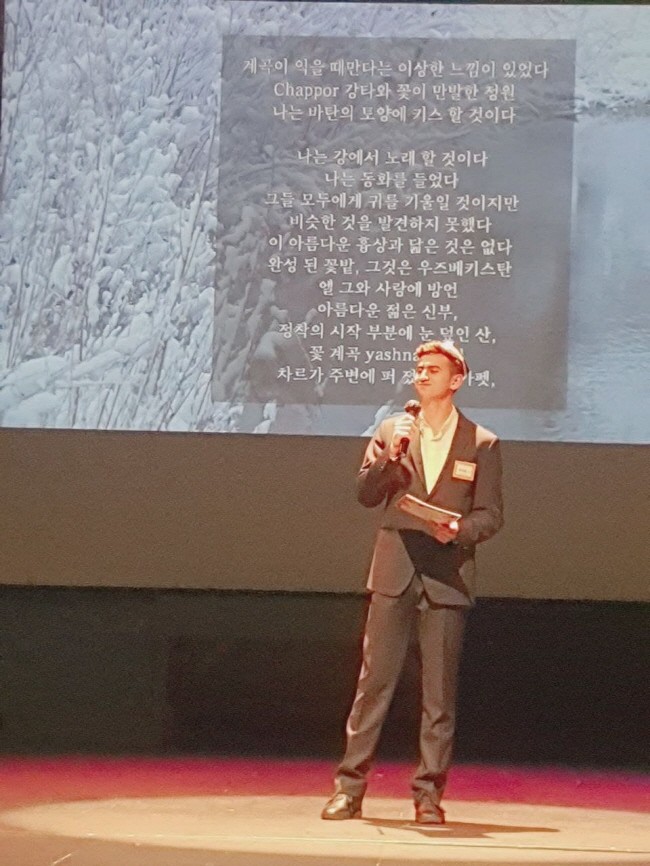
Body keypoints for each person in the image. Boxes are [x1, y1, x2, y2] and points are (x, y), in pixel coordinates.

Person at [321, 340, 504, 825]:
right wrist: (390, 455)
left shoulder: (481, 442)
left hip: (447, 575)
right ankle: (349, 789)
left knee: (438, 696)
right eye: (419, 368)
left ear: (456, 379)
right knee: (373, 684)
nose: (422, 375)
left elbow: (491, 514)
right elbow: (366, 493)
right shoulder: (391, 429)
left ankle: (428, 796)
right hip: (394, 570)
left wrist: (458, 529)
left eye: (433, 369)